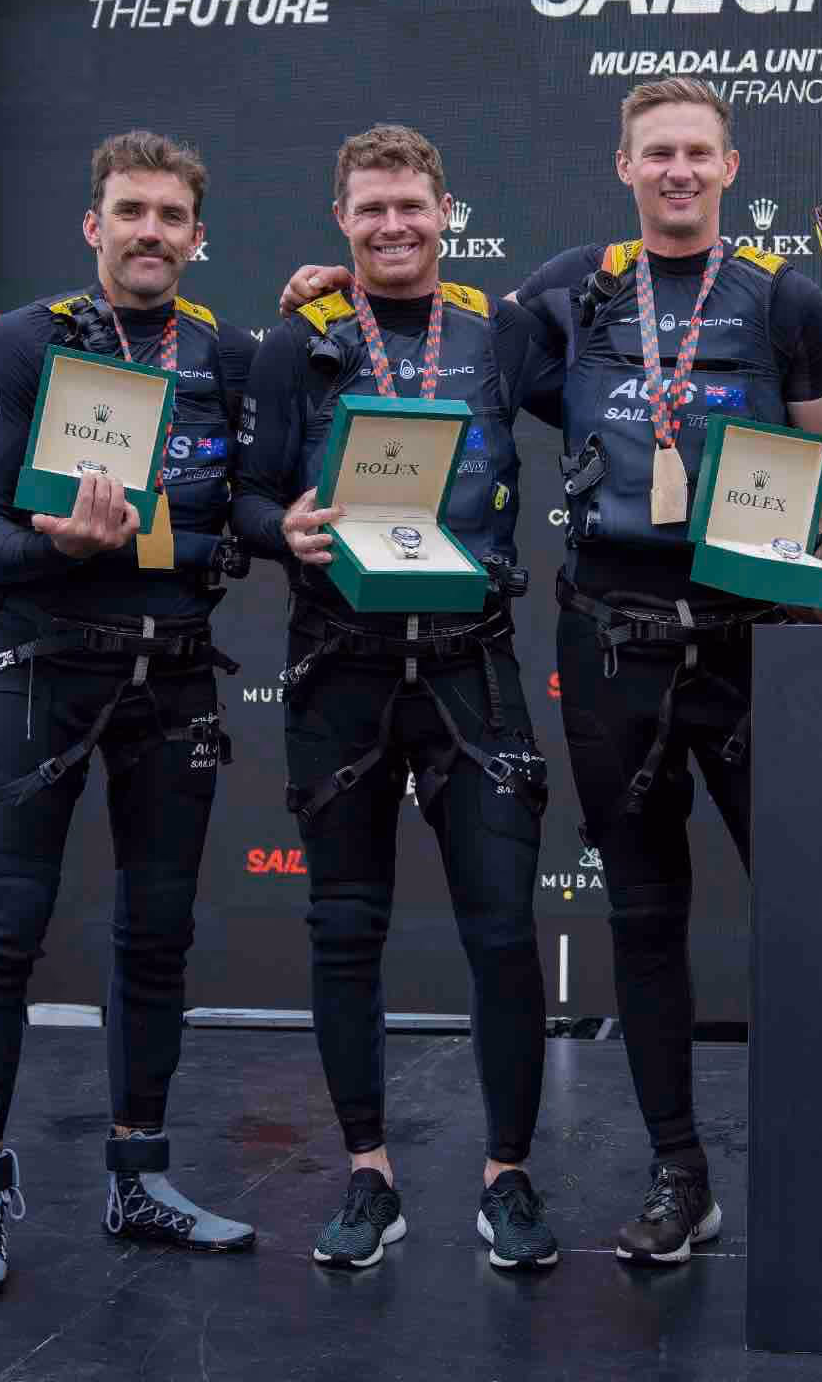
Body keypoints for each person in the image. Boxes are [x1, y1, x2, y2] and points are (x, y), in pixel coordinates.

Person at [487, 77, 822, 1260]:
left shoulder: (782, 297)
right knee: (645, 919)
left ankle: (821, 1169)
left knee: (801, 913)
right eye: (657, 153)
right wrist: (330, 291)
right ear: (623, 167)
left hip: (758, 647)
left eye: (697, 152)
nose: (678, 172)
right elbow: (440, 344)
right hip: (612, 644)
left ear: (730, 166)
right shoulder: (567, 292)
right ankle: (677, 1174)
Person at [0, 131, 259, 1298]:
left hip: (171, 677)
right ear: (94, 225)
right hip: (39, 669)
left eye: (172, 216)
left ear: (195, 234)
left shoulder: (224, 350)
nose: (150, 233)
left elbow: (249, 520)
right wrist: (54, 544)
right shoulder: (27, 342)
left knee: (156, 936)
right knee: (7, 934)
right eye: (131, 211)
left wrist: (242, 530)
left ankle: (140, 1176)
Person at [238, 125, 563, 1272]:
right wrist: (276, 526)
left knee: (501, 931)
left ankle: (505, 1177)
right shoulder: (297, 338)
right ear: (341, 218)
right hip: (341, 668)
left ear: (445, 211)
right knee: (343, 931)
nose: (392, 227)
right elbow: (244, 491)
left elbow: (619, 365)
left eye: (411, 207)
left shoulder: (503, 330)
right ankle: (368, 1173)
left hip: (473, 667)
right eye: (370, 209)